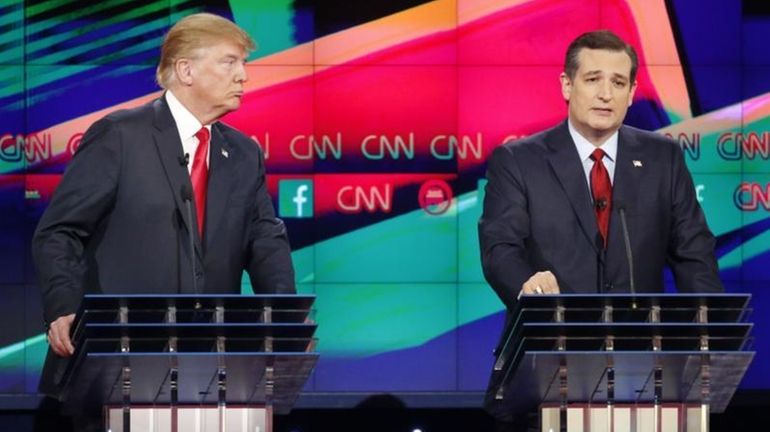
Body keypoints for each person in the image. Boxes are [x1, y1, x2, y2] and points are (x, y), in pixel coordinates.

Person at [32, 13, 295, 429]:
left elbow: (265, 241)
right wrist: (63, 308)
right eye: (230, 62)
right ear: (185, 70)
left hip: (211, 371)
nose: (243, 76)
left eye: (242, 64)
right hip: (119, 363)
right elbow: (59, 231)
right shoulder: (120, 135)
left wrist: (282, 322)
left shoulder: (243, 154)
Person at [478, 30, 723, 431]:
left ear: (631, 93)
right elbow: (499, 247)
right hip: (545, 377)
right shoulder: (518, 161)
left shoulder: (663, 158)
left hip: (643, 382)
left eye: (618, 82)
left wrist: (708, 337)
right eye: (593, 79)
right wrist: (526, 283)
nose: (605, 93)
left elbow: (694, 257)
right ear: (566, 85)